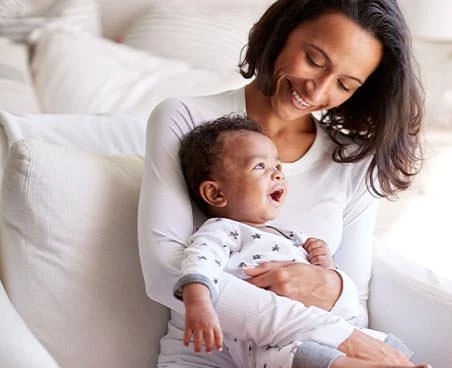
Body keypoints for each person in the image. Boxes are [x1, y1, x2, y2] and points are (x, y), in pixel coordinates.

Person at [137, 1, 423, 367]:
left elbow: (356, 308)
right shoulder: (187, 119)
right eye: (315, 60)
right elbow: (166, 275)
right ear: (283, 31)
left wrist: (332, 288)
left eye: (344, 84)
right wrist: (338, 335)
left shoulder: (351, 161)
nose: (317, 90)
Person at [176, 115, 426, 368]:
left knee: (389, 344)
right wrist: (199, 304)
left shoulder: (292, 236)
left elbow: (323, 289)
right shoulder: (220, 230)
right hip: (272, 344)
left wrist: (324, 263)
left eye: (278, 167)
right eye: (260, 167)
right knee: (307, 357)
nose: (276, 174)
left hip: (326, 329)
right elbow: (198, 264)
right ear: (215, 193)